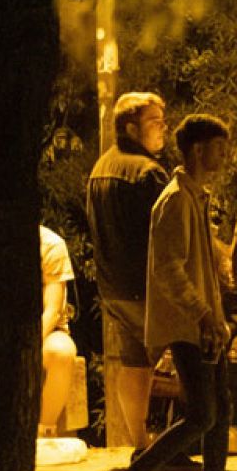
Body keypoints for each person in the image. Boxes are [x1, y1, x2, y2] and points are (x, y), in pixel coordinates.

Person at [103, 115, 237, 471]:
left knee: (219, 410)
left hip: (203, 325)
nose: (225, 157)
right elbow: (170, 269)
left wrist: (217, 316)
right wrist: (204, 314)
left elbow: (196, 268)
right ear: (196, 151)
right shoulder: (174, 200)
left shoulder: (193, 197)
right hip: (188, 325)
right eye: (218, 148)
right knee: (203, 415)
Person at [86, 93, 169, 450]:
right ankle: (176, 442)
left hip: (112, 287)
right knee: (186, 357)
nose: (163, 128)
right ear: (131, 128)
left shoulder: (100, 168)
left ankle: (140, 442)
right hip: (146, 285)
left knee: (133, 364)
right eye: (155, 121)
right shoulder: (147, 172)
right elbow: (167, 232)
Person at [36, 225, 81, 434]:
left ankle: (44, 429)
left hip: (47, 331)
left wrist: (25, 346)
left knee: (62, 353)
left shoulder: (49, 243)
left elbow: (52, 311)